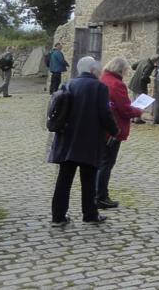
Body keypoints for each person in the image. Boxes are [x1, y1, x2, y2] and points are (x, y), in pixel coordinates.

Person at [48, 56, 118, 225]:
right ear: (93, 70)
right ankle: (90, 214)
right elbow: (105, 113)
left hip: (67, 138)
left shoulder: (69, 84)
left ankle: (58, 216)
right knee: (88, 180)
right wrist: (115, 130)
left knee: (64, 180)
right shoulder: (99, 87)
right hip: (89, 139)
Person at [96, 57, 143, 209]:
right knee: (106, 164)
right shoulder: (117, 84)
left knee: (101, 163)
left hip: (101, 128)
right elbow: (125, 109)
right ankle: (101, 196)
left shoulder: (103, 79)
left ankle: (97, 194)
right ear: (121, 70)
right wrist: (138, 110)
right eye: (125, 71)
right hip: (113, 129)